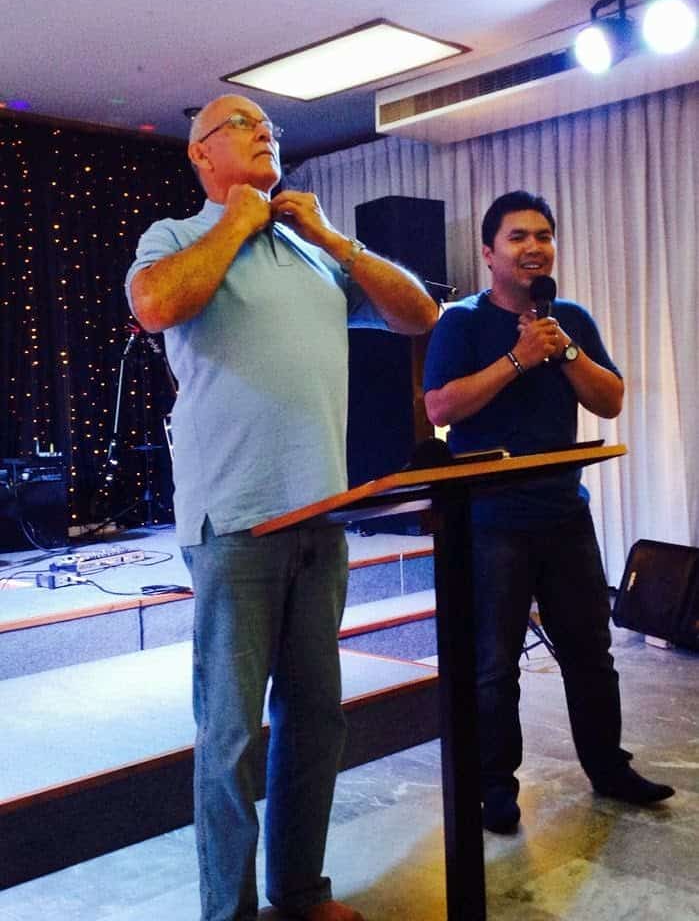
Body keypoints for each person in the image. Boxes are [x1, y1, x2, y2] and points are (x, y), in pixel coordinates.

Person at [125, 94, 437, 921]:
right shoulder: (175, 235)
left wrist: (333, 239)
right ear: (200, 153)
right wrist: (237, 220)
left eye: (270, 127)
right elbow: (154, 306)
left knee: (314, 722)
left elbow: (419, 314)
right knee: (230, 737)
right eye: (242, 124)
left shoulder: (312, 251)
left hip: (319, 518)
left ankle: (298, 892)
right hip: (234, 522)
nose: (265, 132)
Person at [423, 190, 674, 834]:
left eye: (543, 235)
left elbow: (610, 400)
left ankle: (609, 768)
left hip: (564, 513)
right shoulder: (461, 323)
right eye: (518, 237)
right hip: (490, 521)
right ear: (488, 253)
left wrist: (563, 351)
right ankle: (495, 789)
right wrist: (517, 360)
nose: (534, 247)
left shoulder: (571, 320)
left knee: (591, 652)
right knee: (494, 665)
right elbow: (440, 407)